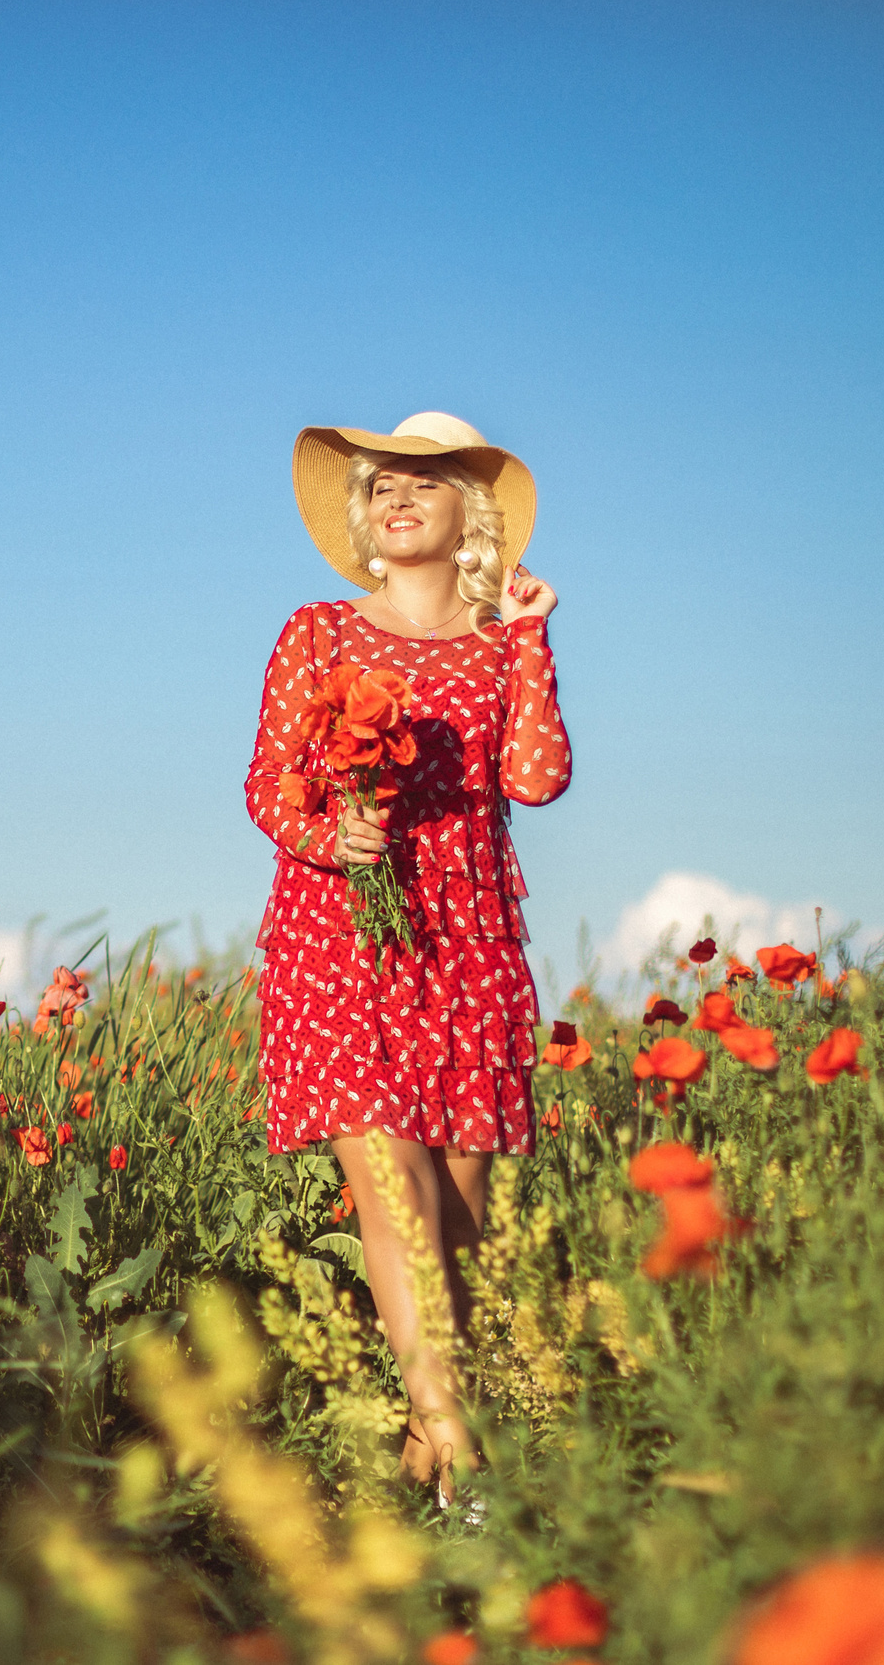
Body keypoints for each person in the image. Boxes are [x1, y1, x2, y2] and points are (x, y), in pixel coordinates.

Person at [245, 411, 570, 1503]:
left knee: (461, 1231)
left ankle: (410, 1487)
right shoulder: (318, 633)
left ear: (468, 516)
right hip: (339, 935)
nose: (396, 497)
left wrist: (529, 637)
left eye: (424, 485)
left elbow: (532, 779)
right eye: (382, 483)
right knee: (395, 1193)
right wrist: (322, 834)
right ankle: (470, 1461)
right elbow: (266, 783)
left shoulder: (497, 645)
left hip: (465, 944)